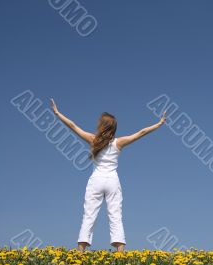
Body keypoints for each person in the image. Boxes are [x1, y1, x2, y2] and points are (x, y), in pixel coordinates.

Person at [50, 98, 166, 252]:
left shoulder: (93, 140)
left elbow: (72, 126)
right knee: (115, 216)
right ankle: (120, 255)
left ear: (101, 126)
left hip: (96, 181)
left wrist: (57, 113)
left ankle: (79, 255)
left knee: (88, 216)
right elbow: (141, 132)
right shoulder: (119, 142)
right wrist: (159, 123)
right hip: (112, 181)